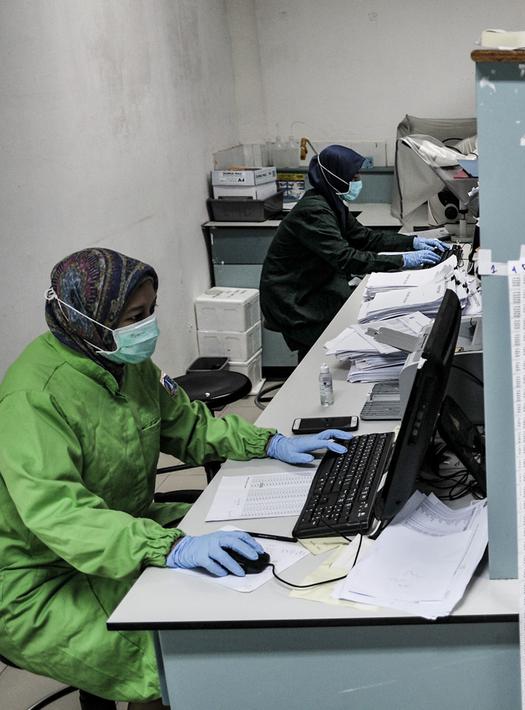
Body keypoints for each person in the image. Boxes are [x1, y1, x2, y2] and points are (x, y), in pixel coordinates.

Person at [0, 248, 354, 708]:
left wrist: (268, 444)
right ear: (86, 318)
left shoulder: (123, 364)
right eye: (133, 316)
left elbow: (190, 426)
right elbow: (61, 516)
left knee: (263, 548)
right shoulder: (34, 398)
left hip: (127, 527)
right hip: (39, 578)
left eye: (150, 312)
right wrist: (170, 547)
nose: (146, 327)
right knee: (173, 650)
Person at [260, 144, 448, 360]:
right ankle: (314, 384)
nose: (358, 181)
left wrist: (412, 242)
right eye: (354, 176)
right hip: (296, 298)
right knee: (325, 352)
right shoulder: (314, 211)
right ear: (335, 177)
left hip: (316, 286)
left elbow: (366, 237)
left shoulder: (332, 203)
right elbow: (345, 258)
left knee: (349, 327)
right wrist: (403, 261)